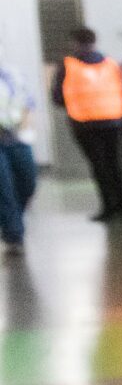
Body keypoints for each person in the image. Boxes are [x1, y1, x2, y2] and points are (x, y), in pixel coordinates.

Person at [52, 27, 122, 222]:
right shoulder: (111, 63)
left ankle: (109, 208)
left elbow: (57, 97)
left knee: (99, 166)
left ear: (74, 42)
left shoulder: (68, 64)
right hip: (113, 120)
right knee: (114, 164)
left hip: (85, 123)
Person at [0, 58, 37, 257]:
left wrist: (25, 121)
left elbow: (28, 102)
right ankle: (13, 234)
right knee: (3, 188)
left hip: (17, 137)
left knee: (27, 182)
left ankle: (12, 220)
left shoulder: (13, 74)